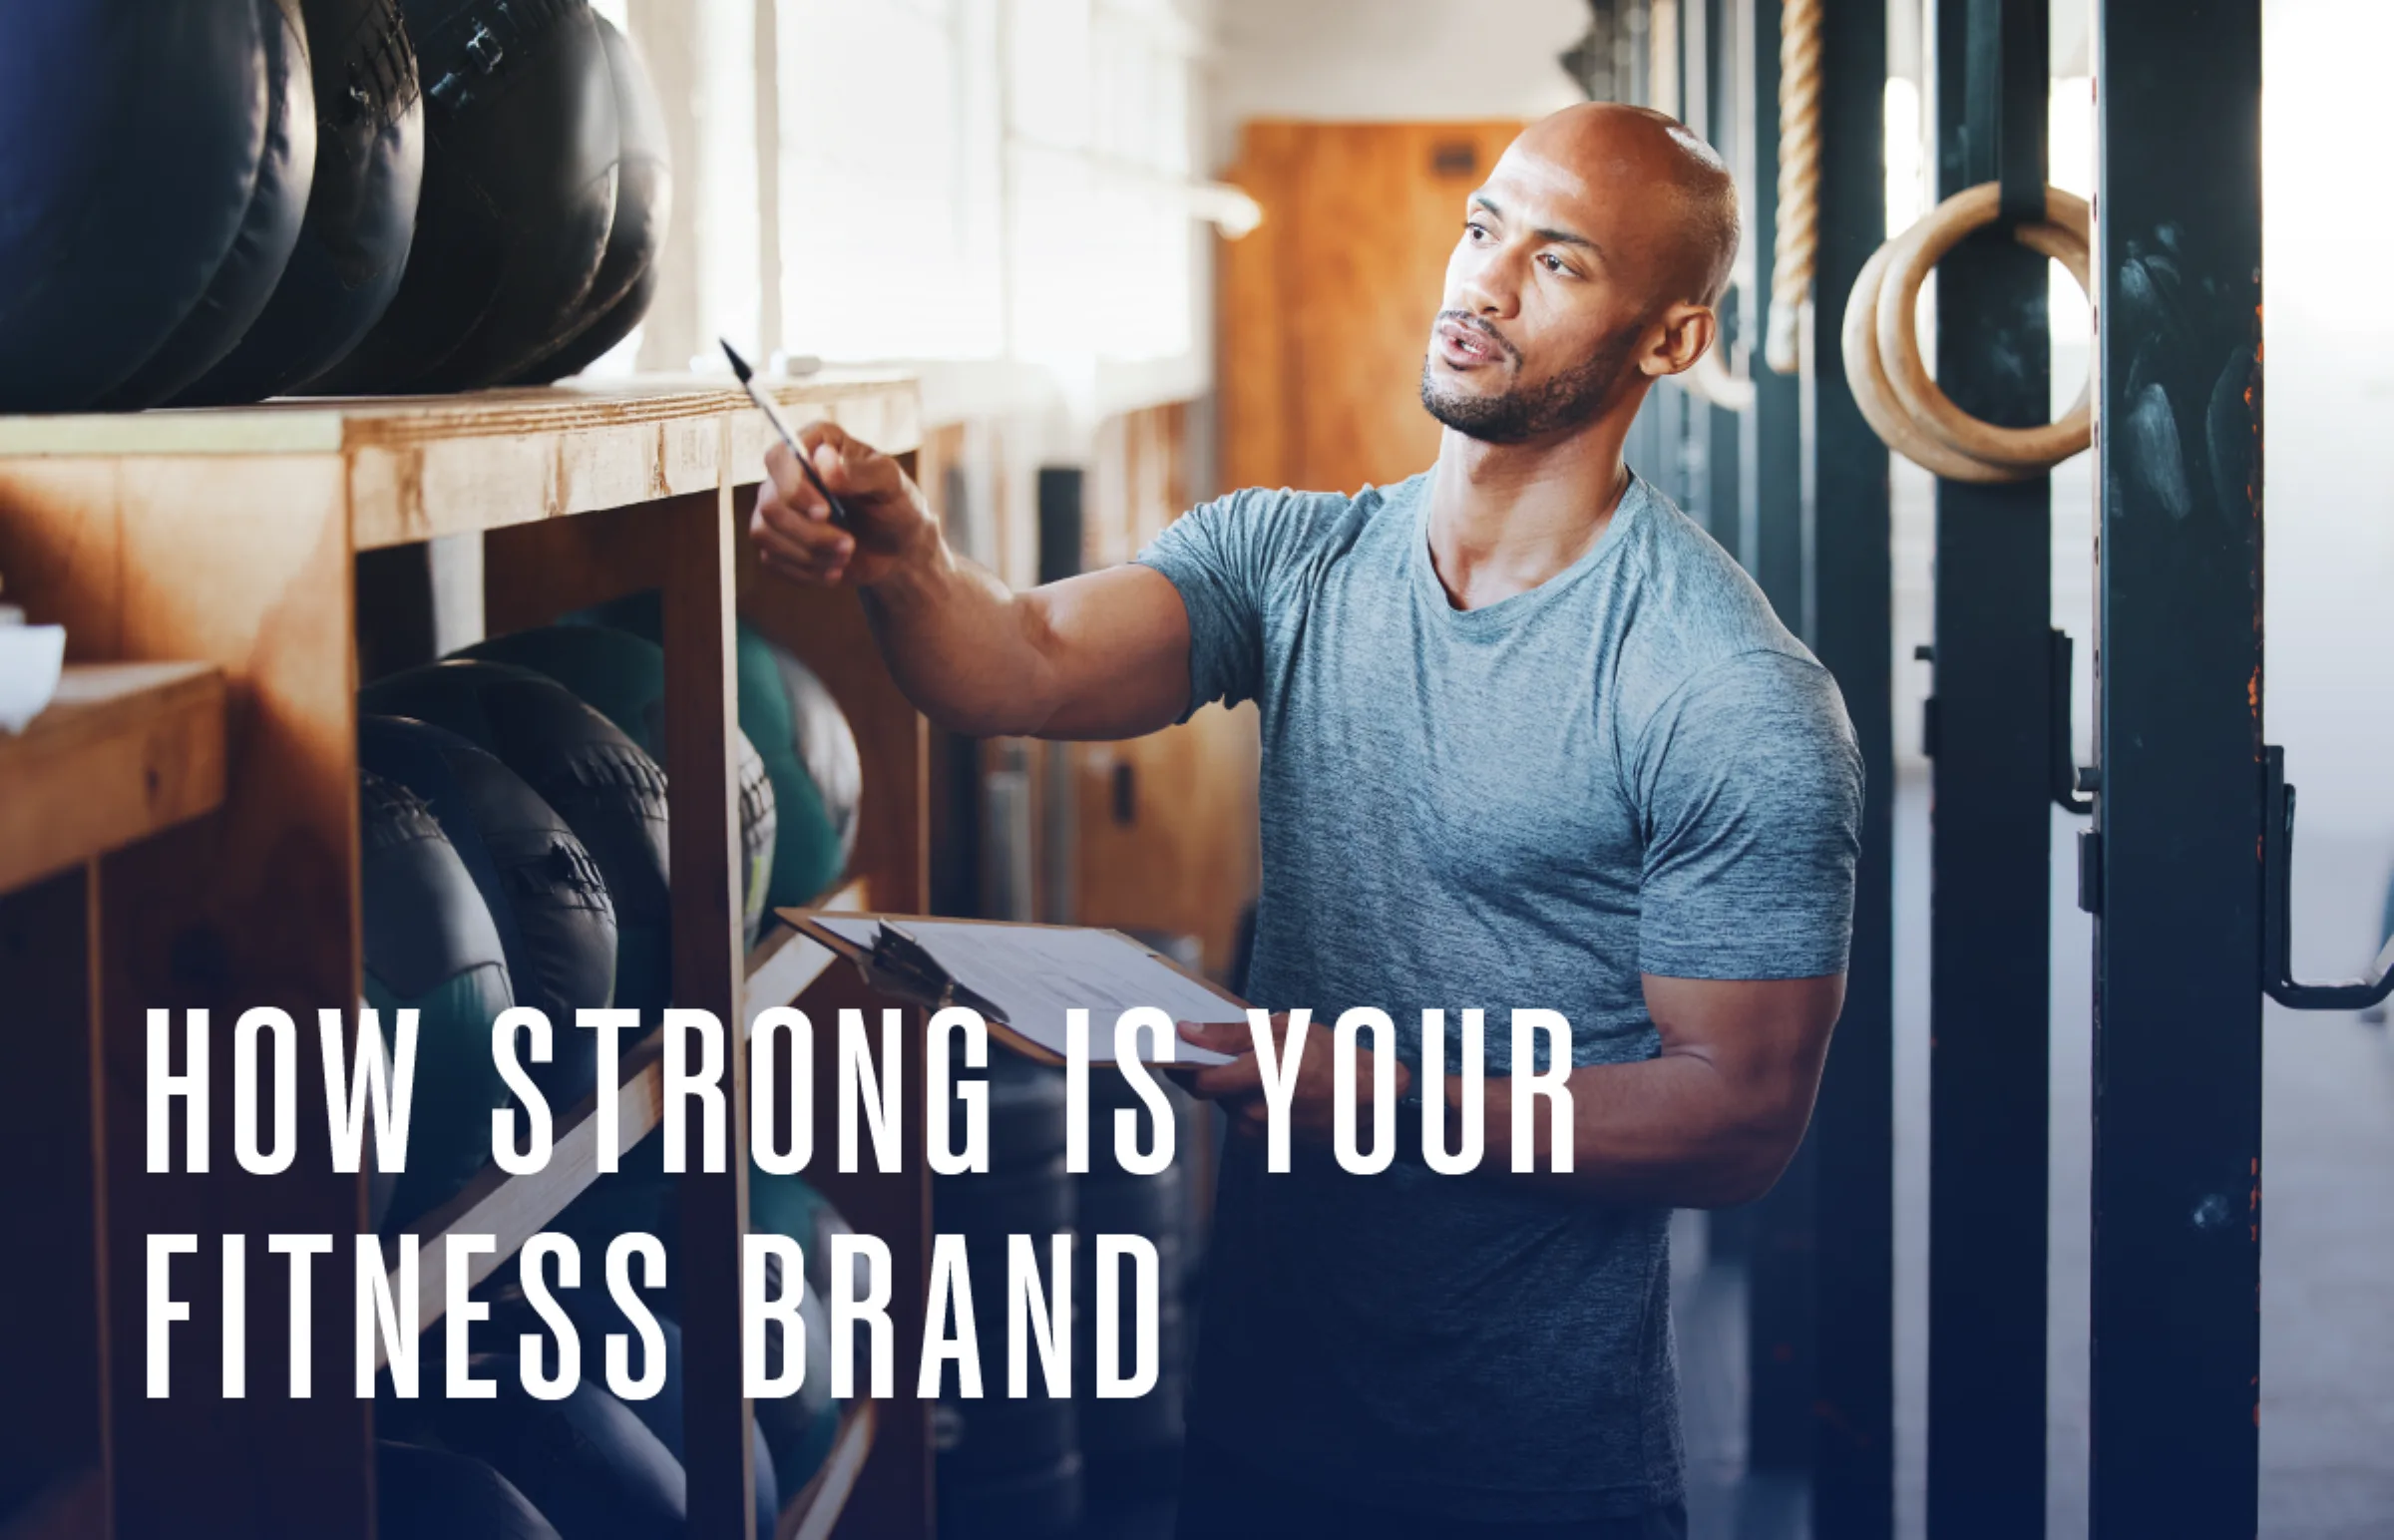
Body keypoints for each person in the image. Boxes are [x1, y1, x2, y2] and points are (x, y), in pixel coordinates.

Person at [751, 103, 1860, 1540]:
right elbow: (1014, 659)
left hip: (1529, 1476)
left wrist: (1380, 1095)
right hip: (1261, 1432)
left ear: (1669, 340)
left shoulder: (1727, 693)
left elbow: (1739, 1123)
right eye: (1482, 229)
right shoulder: (1294, 558)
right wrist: (904, 560)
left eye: (1561, 263)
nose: (1485, 283)